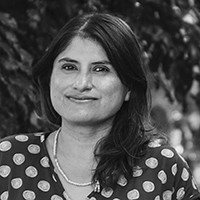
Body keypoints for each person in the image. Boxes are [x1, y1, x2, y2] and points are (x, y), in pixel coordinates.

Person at [0, 13, 200, 200]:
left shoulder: (162, 168)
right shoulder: (9, 158)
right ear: (50, 78)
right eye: (69, 67)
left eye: (100, 69)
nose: (82, 83)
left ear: (129, 86)